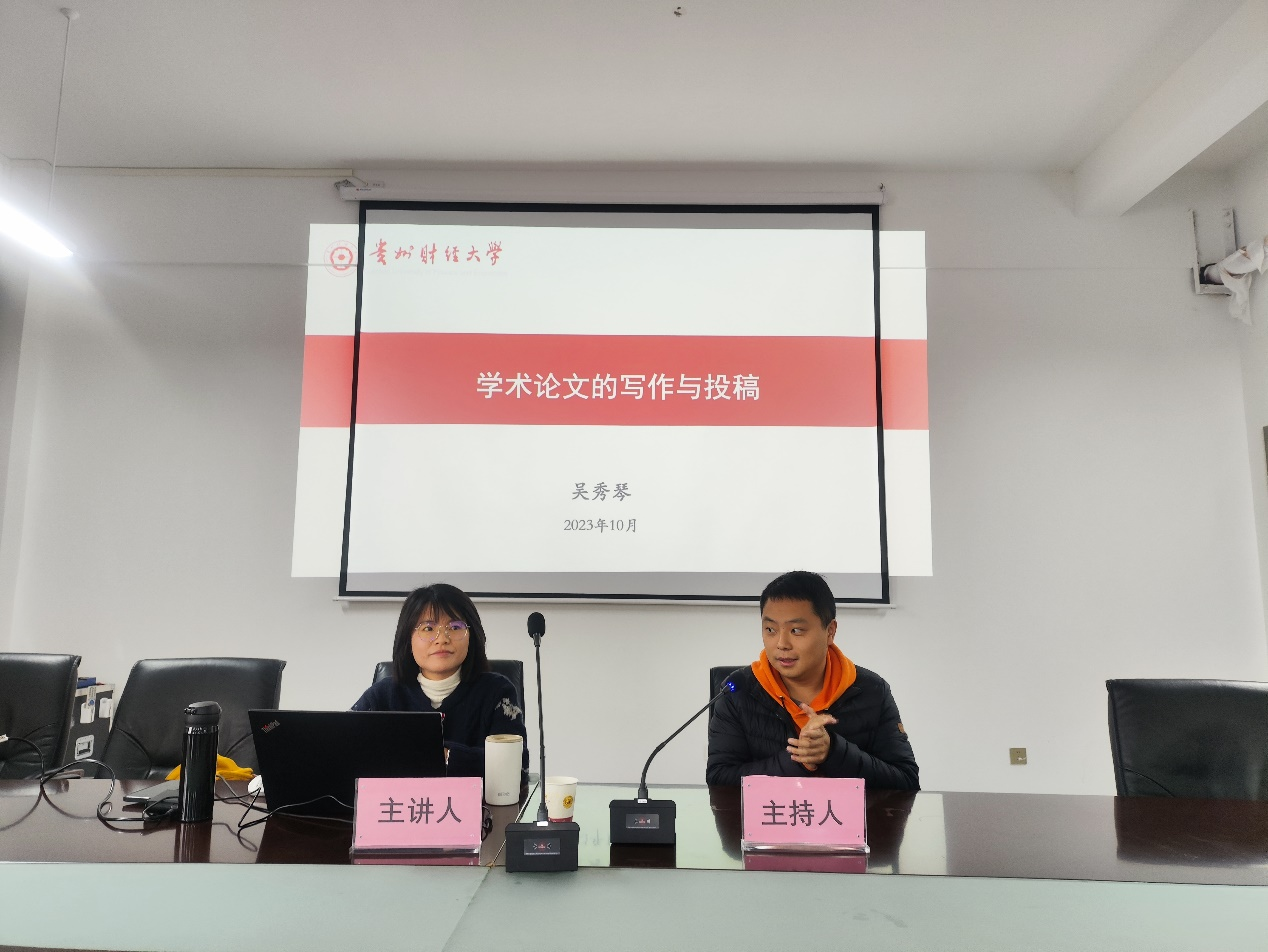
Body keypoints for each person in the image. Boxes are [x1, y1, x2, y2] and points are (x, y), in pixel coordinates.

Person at [706, 570, 919, 789]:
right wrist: (799, 760)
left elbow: (906, 781)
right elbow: (719, 780)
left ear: (830, 632)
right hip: (772, 812)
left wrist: (834, 752)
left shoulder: (871, 690)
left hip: (843, 813)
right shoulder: (737, 690)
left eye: (796, 630)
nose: (781, 644)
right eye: (770, 629)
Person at [352, 583, 528, 782]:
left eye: (455, 627)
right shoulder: (383, 695)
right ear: (408, 638)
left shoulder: (497, 692)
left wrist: (445, 755)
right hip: (398, 802)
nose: (442, 639)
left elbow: (517, 767)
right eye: (428, 628)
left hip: (478, 803)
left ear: (472, 636)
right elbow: (345, 752)